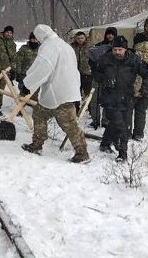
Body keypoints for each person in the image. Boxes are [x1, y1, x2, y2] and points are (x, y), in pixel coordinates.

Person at [21, 24, 90, 163]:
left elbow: (42, 68)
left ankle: (82, 154)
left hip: (57, 92)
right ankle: (37, 145)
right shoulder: (65, 46)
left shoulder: (49, 47)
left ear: (40, 36)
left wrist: (27, 84)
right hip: (67, 90)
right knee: (40, 113)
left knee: (69, 124)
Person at [92, 36, 148, 161]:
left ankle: (112, 147)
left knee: (119, 123)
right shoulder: (105, 58)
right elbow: (95, 71)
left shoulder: (134, 60)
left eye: (120, 50)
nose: (117, 52)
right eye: (115, 49)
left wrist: (145, 88)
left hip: (126, 97)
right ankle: (117, 149)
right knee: (119, 123)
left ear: (125, 49)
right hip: (109, 97)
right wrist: (104, 79)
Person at [128, 34, 148, 141]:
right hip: (147, 88)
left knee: (128, 111)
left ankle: (127, 133)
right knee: (141, 112)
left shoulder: (134, 53)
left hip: (132, 87)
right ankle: (138, 134)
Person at [87, 26, 118, 129]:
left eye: (112, 34)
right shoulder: (99, 46)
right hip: (97, 76)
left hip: (111, 77)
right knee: (95, 99)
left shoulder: (118, 48)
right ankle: (95, 120)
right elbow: (91, 60)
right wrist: (95, 70)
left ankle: (106, 120)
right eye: (108, 34)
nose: (110, 36)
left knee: (108, 99)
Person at [71, 31, 92, 99]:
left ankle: (89, 108)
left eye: (82, 38)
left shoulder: (90, 47)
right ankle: (77, 108)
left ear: (85, 38)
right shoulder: (72, 47)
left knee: (88, 93)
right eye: (78, 38)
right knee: (76, 93)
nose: (80, 40)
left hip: (87, 73)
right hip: (75, 73)